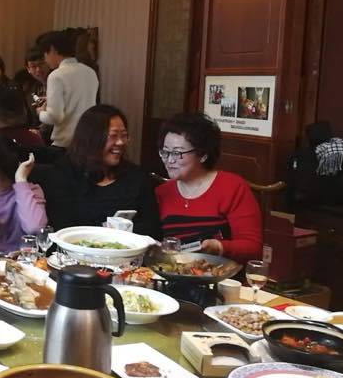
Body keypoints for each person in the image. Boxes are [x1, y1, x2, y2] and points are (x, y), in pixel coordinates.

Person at [31, 105, 161, 238]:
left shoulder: (136, 177)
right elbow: (61, 228)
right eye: (113, 136)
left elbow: (152, 228)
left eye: (124, 135)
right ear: (91, 138)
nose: (120, 142)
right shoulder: (63, 175)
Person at [155, 112, 262, 263]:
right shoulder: (162, 192)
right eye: (165, 152)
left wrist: (219, 247)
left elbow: (253, 248)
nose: (169, 160)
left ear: (203, 154)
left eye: (177, 153)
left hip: (222, 272)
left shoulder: (232, 187)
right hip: (173, 270)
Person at [36, 30, 99, 148]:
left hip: (65, 143)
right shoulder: (90, 72)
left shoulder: (56, 76)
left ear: (52, 49)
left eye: (45, 54)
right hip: (87, 140)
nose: (45, 59)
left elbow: (55, 117)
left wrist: (41, 113)